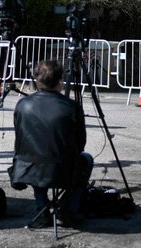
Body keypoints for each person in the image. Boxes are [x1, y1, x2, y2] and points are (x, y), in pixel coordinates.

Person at [9, 59, 94, 229]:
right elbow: (80, 142)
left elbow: (20, 139)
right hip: (63, 168)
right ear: (60, 81)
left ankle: (42, 208)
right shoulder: (71, 106)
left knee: (37, 160)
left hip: (27, 167)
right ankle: (68, 209)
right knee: (87, 158)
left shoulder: (22, 104)